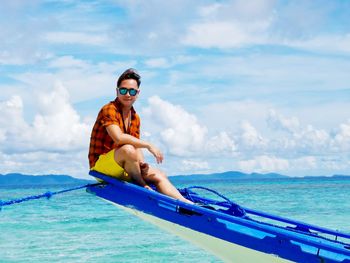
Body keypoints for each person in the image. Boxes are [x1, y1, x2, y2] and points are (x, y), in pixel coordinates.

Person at [88, 68, 192, 204]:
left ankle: (187, 204)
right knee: (127, 149)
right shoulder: (109, 109)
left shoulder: (135, 117)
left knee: (159, 175)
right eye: (123, 90)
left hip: (123, 166)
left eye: (132, 91)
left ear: (137, 93)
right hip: (101, 167)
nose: (127, 94)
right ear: (117, 91)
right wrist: (149, 145)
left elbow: (136, 147)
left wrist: (141, 163)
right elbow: (119, 138)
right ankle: (142, 186)